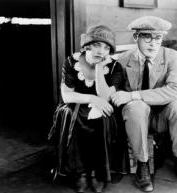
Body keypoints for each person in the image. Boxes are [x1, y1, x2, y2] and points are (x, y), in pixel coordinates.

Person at [110, 16, 177, 192]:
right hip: (136, 119)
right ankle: (142, 165)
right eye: (147, 37)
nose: (153, 43)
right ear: (136, 37)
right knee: (136, 106)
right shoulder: (123, 60)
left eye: (158, 37)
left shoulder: (172, 56)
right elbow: (115, 93)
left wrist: (133, 95)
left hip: (163, 116)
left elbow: (175, 90)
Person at [48, 25, 127, 193]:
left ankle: (98, 174)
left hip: (103, 106)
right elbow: (67, 96)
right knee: (70, 114)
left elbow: (105, 97)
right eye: (98, 45)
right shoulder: (71, 62)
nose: (102, 51)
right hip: (75, 104)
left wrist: (99, 68)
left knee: (103, 117)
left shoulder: (115, 67)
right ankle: (80, 173)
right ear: (88, 45)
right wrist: (91, 98)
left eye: (107, 48)